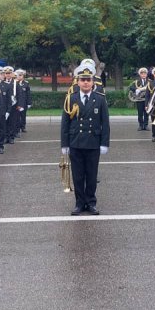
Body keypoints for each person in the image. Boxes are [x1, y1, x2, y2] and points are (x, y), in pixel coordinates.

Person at [61, 63, 110, 215]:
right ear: (78, 81)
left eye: (88, 80)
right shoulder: (71, 98)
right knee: (78, 175)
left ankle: (91, 202)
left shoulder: (100, 99)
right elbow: (65, 123)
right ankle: (79, 203)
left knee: (91, 175)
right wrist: (65, 144)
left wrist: (104, 143)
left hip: (93, 143)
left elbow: (105, 123)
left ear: (93, 82)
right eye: (83, 80)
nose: (86, 82)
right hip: (76, 142)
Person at [15, 69, 32, 134]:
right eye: (18, 75)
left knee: (23, 116)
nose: (19, 76)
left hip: (24, 103)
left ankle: (23, 127)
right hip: (17, 103)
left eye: (21, 75)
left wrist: (29, 103)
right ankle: (17, 128)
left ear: (23, 76)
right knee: (16, 116)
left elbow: (28, 94)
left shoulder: (26, 83)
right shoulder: (14, 83)